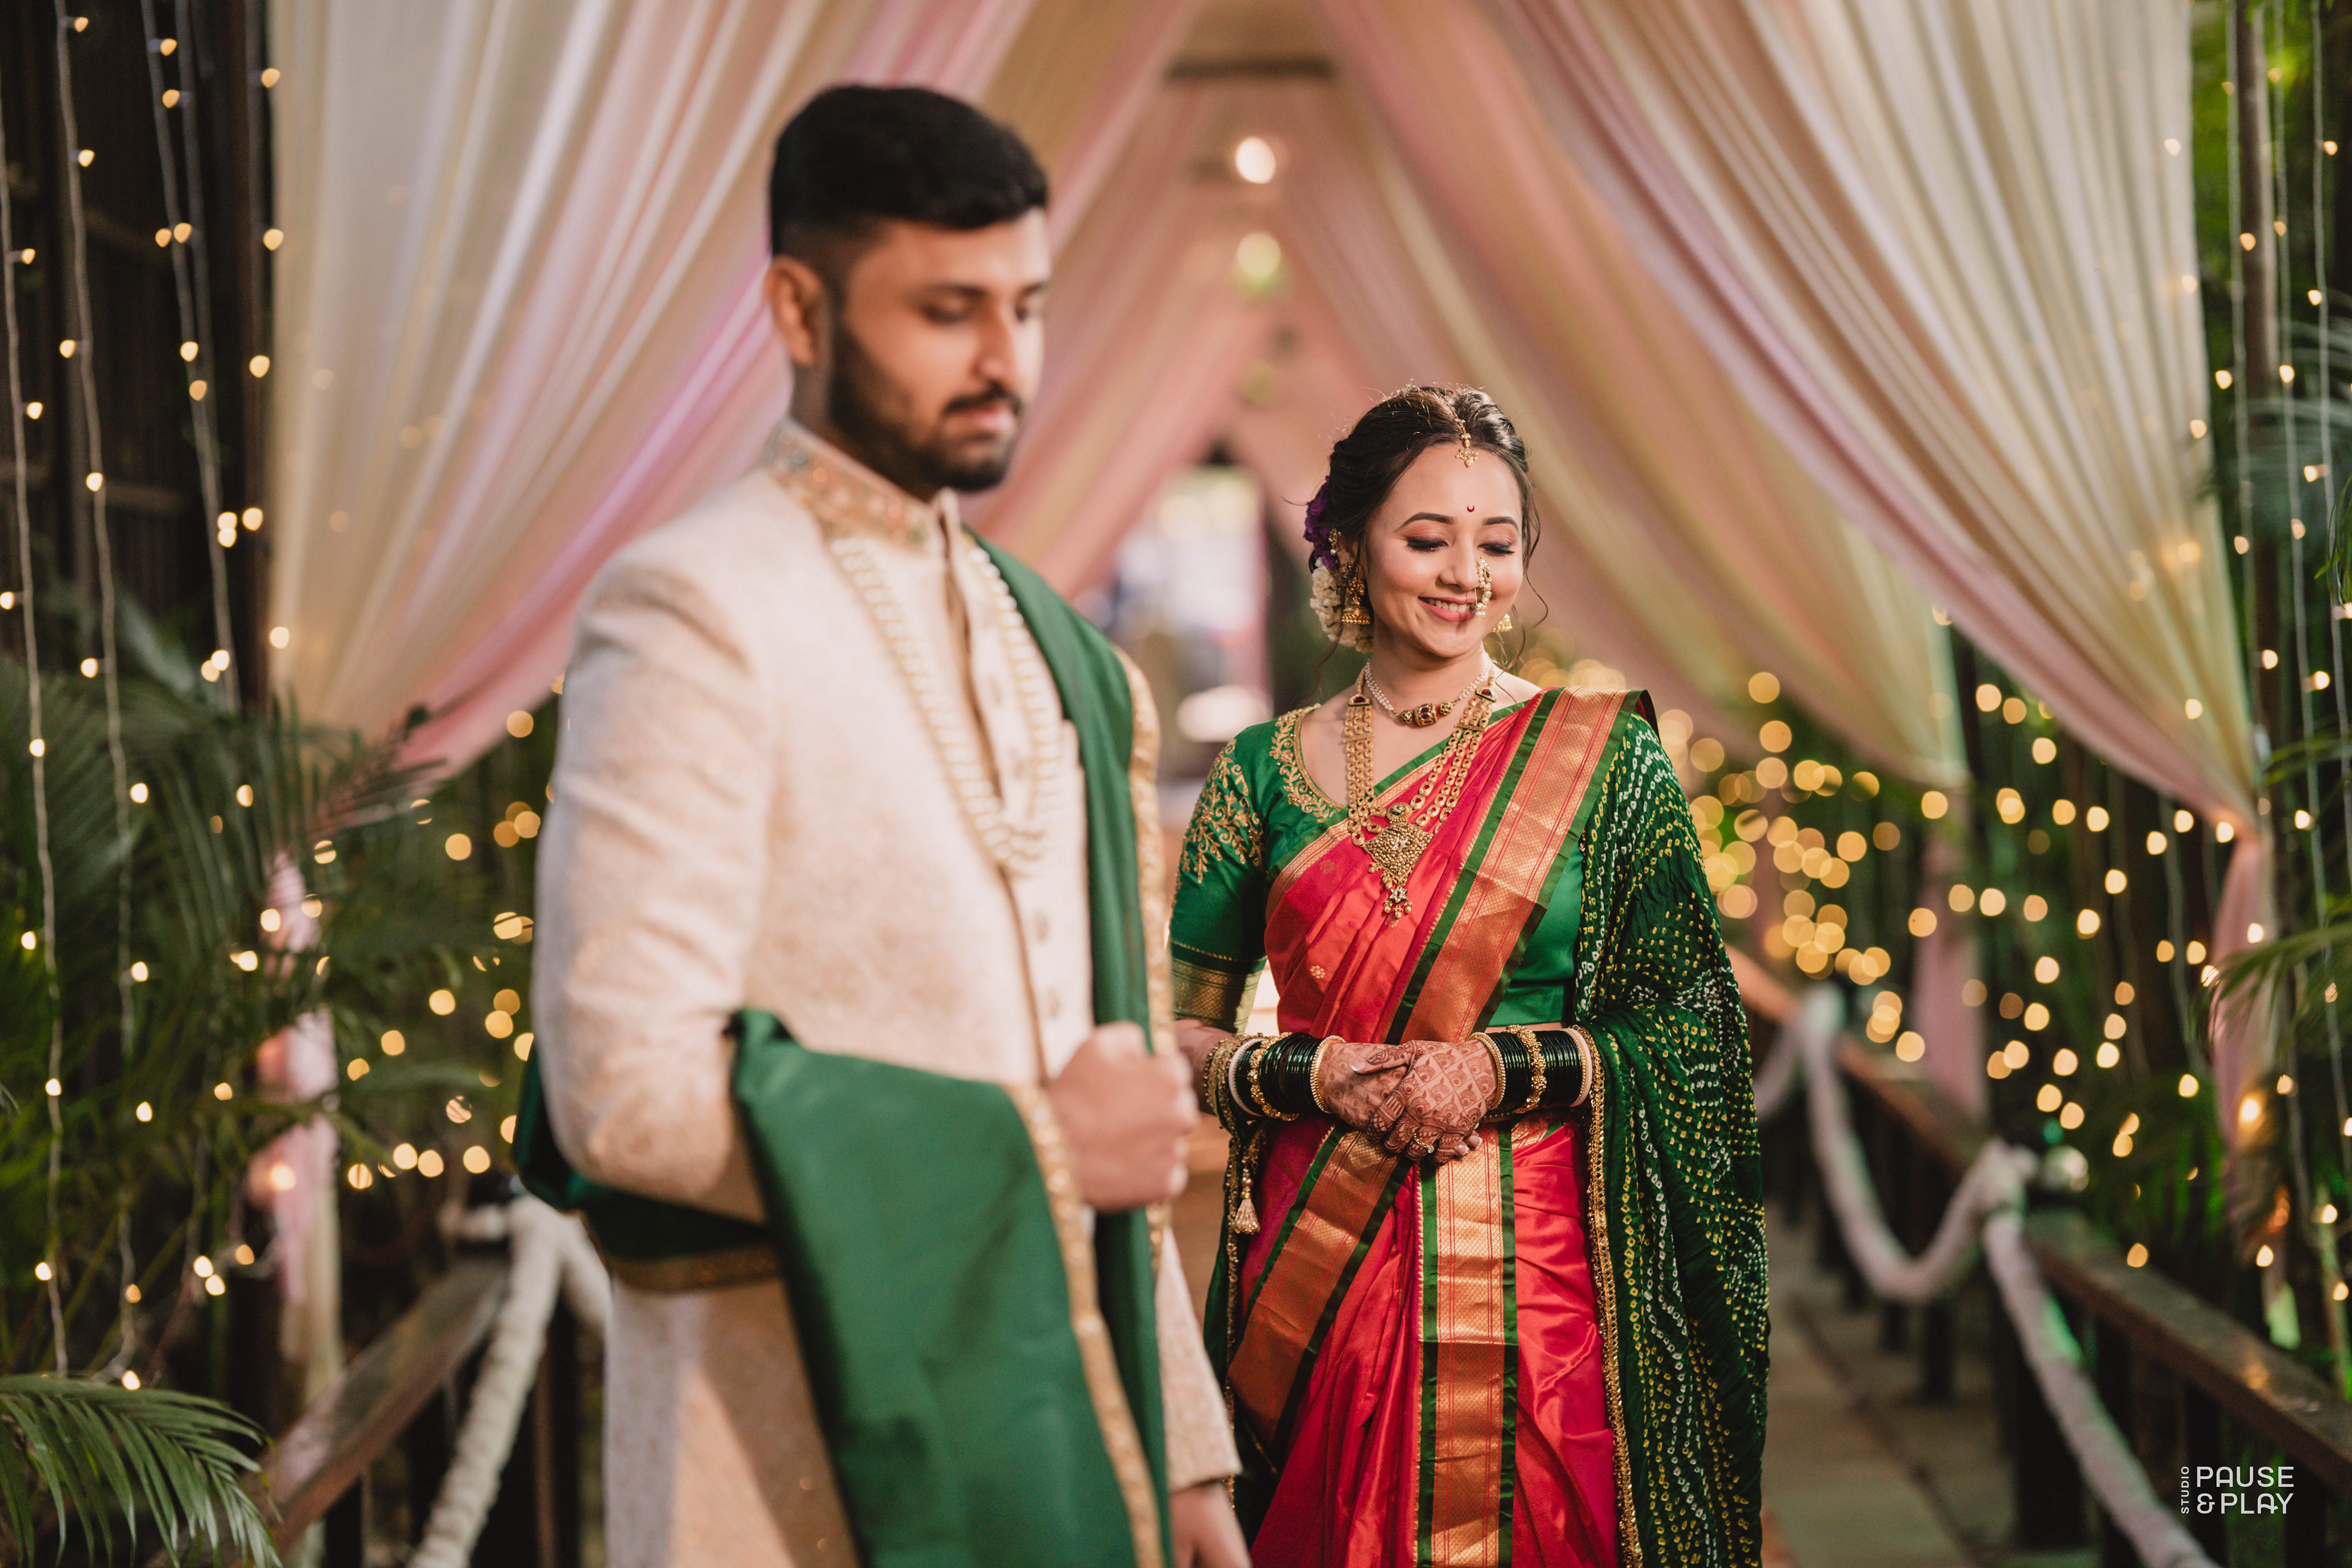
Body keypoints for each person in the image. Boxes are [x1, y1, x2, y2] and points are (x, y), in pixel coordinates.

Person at [517, 86, 1247, 1567]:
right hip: (785, 1446)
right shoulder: (692, 611)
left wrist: (1184, 1462)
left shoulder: (1065, 653)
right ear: (799, 307)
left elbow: (1111, 1080)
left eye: (1026, 307)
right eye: (946, 310)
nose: (1004, 361)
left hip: (1062, 1428)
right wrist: (1041, 1144)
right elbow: (621, 1090)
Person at [1169, 386, 1768, 1566]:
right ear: (1350, 546)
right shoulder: (1258, 775)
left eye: (1497, 544)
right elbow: (1170, 1039)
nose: (1466, 575)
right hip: (1317, 1271)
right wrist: (1314, 1075)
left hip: (1551, 1291)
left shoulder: (1606, 760)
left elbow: (1691, 1026)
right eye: (1427, 538)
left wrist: (1500, 1068)